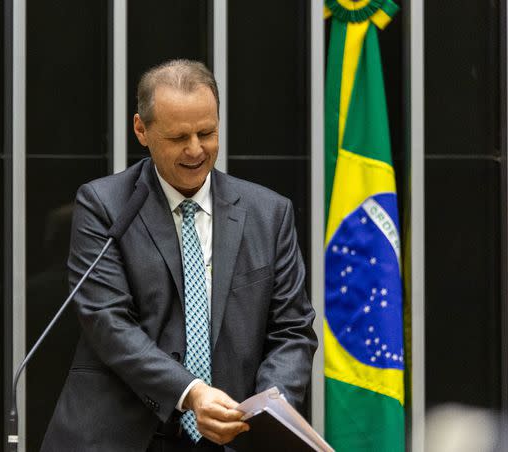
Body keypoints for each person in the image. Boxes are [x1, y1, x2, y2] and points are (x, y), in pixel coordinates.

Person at [40, 59, 317, 452]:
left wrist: (264, 414)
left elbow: (292, 330)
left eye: (207, 133)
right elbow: (107, 321)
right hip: (122, 436)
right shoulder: (103, 205)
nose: (195, 150)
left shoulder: (269, 213)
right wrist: (191, 393)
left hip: (232, 434)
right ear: (142, 130)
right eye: (177, 137)